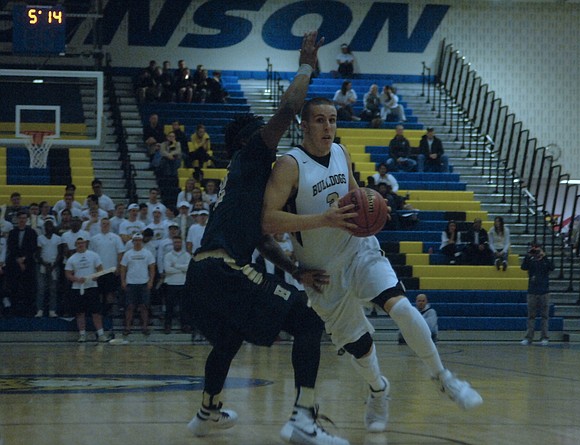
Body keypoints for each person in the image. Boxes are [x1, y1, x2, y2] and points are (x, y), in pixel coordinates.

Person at [262, 96, 483, 435]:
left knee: (403, 309)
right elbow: (268, 221)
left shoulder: (341, 152)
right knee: (359, 346)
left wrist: (377, 211)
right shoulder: (289, 165)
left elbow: (357, 197)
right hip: (321, 272)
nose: (328, 127)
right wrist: (324, 219)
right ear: (303, 125)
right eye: (319, 120)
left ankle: (444, 378)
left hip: (358, 250)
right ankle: (379, 390)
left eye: (332, 120)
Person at [183, 32, 348, 445]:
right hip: (223, 269)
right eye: (265, 134)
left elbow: (261, 237)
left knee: (229, 337)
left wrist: (296, 269)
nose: (273, 142)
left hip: (200, 274)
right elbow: (292, 106)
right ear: (250, 140)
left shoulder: (243, 182)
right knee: (307, 321)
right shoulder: (253, 154)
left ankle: (207, 413)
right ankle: (303, 423)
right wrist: (306, 66)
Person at [64, 237, 108, 343]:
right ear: (75, 245)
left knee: (96, 312)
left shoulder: (94, 255)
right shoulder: (72, 258)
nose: (80, 245)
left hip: (92, 287)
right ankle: (82, 335)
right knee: (80, 313)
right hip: (77, 288)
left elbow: (100, 270)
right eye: (78, 243)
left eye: (82, 243)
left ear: (85, 244)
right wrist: (77, 279)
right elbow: (68, 274)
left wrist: (95, 276)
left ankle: (101, 334)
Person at [119, 232, 156, 336]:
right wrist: (123, 281)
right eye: (136, 240)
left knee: (144, 306)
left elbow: (152, 268)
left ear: (142, 241)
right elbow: (123, 268)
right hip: (131, 283)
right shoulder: (128, 254)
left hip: (144, 283)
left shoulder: (147, 253)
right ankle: (127, 327)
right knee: (129, 306)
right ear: (133, 241)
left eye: (139, 240)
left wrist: (151, 281)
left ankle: (144, 327)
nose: (138, 242)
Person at [520, 242, 554, 346]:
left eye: (537, 250)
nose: (536, 252)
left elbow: (552, 267)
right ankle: (529, 337)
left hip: (544, 291)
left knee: (544, 316)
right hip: (532, 291)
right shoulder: (531, 261)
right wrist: (528, 255)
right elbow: (523, 267)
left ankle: (544, 337)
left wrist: (544, 256)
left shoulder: (545, 261)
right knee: (531, 316)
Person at [5, 211, 39, 316]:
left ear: (27, 219)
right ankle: (14, 310)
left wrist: (24, 259)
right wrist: (18, 259)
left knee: (28, 287)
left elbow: (33, 248)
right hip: (14, 264)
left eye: (24, 218)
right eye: (20, 218)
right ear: (17, 219)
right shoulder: (12, 232)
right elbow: (11, 247)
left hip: (28, 264)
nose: (22, 220)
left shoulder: (32, 232)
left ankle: (28, 311)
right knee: (14, 287)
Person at [162, 235, 190, 334]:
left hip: (182, 283)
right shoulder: (168, 255)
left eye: (179, 242)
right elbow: (167, 270)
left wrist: (176, 265)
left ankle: (185, 325)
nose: (177, 244)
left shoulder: (186, 255)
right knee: (169, 306)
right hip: (171, 283)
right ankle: (167, 325)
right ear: (173, 243)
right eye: (175, 242)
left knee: (184, 307)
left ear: (181, 243)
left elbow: (189, 268)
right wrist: (181, 269)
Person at [36, 218, 61, 318]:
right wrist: (45, 264)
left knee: (53, 289)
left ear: (53, 227)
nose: (48, 228)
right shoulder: (40, 238)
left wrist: (53, 265)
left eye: (50, 226)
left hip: (54, 266)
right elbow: (38, 254)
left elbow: (60, 253)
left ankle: (52, 310)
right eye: (46, 226)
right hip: (42, 266)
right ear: (44, 228)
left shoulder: (58, 238)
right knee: (41, 288)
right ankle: (39, 310)